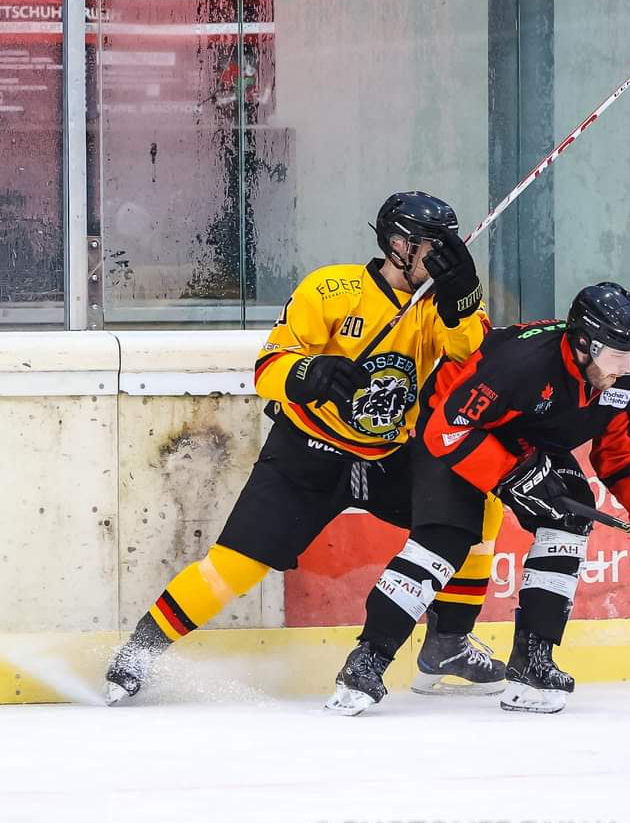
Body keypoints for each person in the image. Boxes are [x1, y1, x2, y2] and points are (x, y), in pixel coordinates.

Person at [104, 191, 506, 703]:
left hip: (384, 458)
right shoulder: (331, 288)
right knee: (235, 566)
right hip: (307, 454)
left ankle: (447, 642)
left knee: (476, 510)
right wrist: (307, 372)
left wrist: (464, 300)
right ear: (396, 244)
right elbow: (267, 369)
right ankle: (137, 653)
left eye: (447, 245)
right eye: (431, 245)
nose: (441, 255)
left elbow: (475, 363)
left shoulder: (438, 308)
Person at [326, 281, 630, 717]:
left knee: (569, 516)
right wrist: (511, 475)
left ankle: (532, 663)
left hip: (525, 438)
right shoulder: (520, 364)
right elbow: (449, 428)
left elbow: (621, 453)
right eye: (615, 355)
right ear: (580, 344)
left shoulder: (625, 381)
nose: (626, 366)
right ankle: (366, 661)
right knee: (446, 537)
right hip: (455, 429)